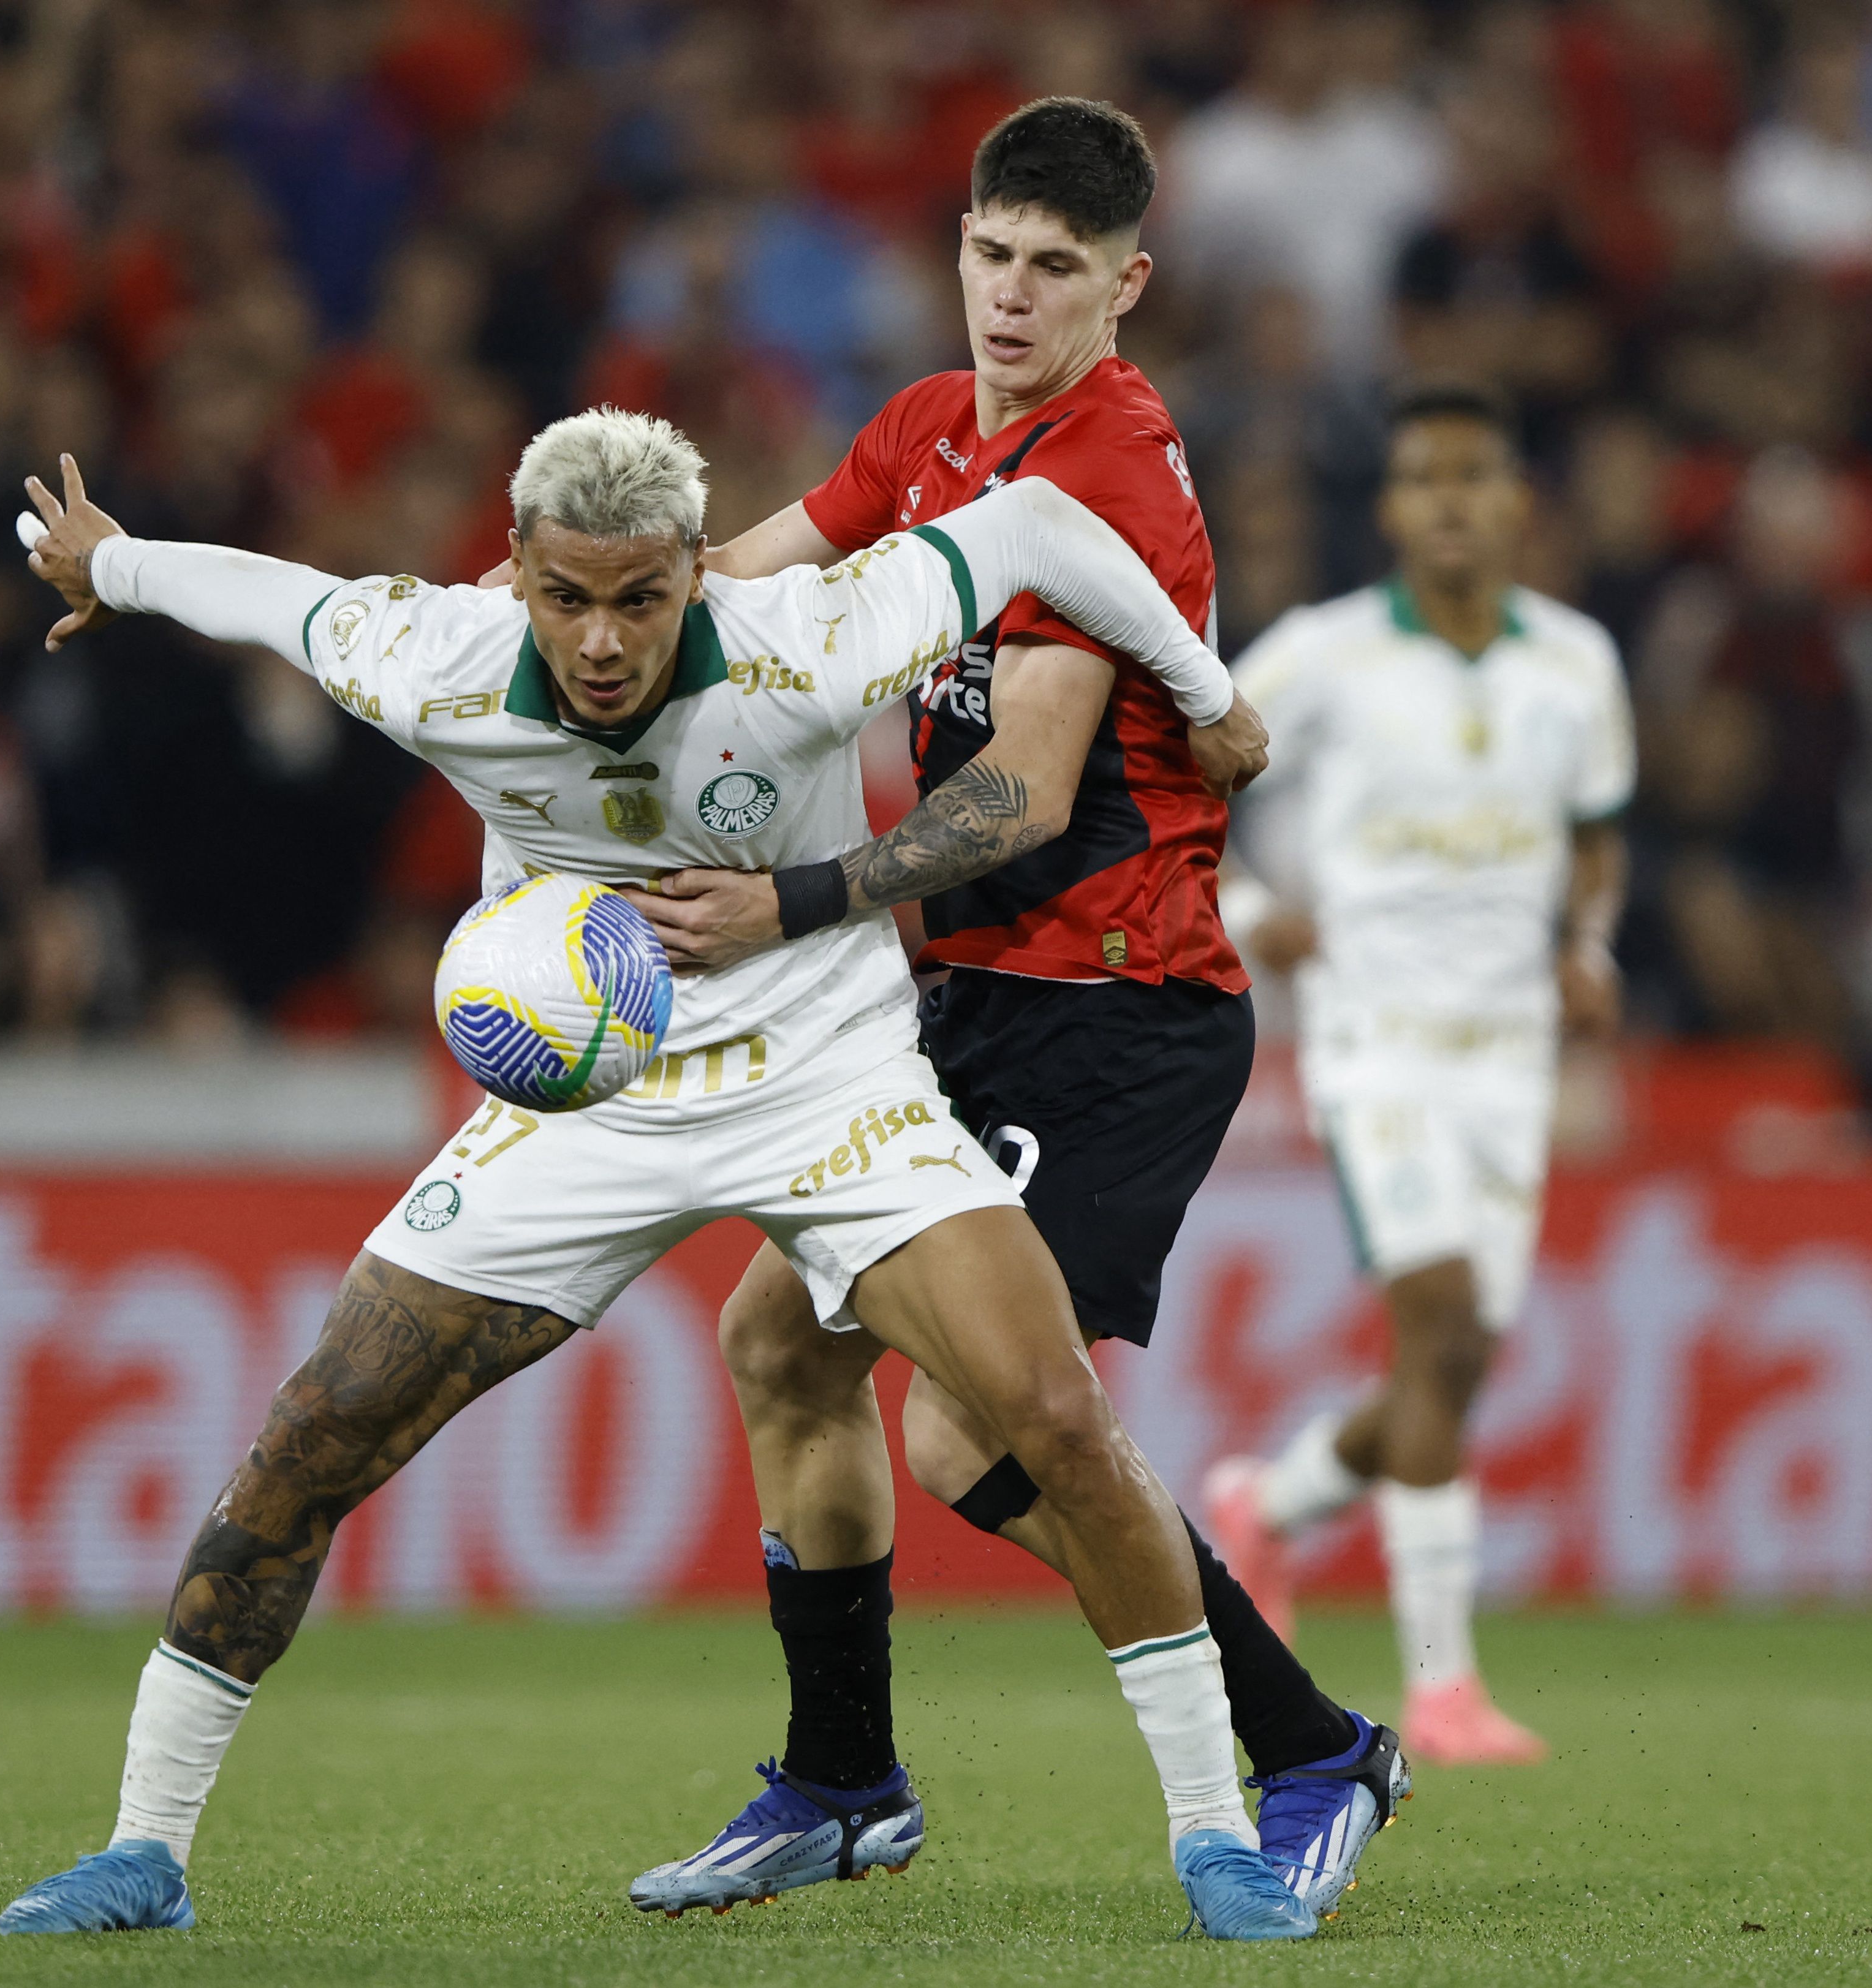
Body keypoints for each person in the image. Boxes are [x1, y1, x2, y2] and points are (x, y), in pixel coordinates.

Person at [0, 408, 1321, 1941]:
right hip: (584, 1108)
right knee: (318, 1428)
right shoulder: (432, 653)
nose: (603, 641)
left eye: (641, 597)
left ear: (699, 570)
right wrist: (119, 562)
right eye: (567, 600)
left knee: (1049, 1417)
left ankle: (1215, 1837)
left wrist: (1207, 690)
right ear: (516, 573)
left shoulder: (806, 633)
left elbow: (1036, 532)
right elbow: (269, 597)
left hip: (831, 1082)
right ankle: (144, 1849)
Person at [607, 97, 1405, 1922]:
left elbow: (1022, 797)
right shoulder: (919, 431)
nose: (1012, 295)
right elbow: (738, 578)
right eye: (989, 253)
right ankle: (835, 1778)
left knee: (973, 1426)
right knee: (781, 1348)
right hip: (968, 998)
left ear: (1126, 287)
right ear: (956, 246)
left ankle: (1307, 1745)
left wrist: (790, 901)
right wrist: (569, 609)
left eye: (1056, 268)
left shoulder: (1101, 469)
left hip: (1110, 1001)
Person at [1202, 382, 1634, 1767]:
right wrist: (1258, 913)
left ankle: (1269, 1504)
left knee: (1451, 1366)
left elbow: (1599, 836)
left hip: (1509, 1055)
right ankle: (1443, 1689)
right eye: (1423, 477)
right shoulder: (1323, 656)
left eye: (1475, 473)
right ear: (1389, 510)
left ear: (1519, 502)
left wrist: (1591, 947)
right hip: (1373, 1042)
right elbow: (1169, 777)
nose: (1449, 498)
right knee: (1440, 1320)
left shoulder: (1576, 664)